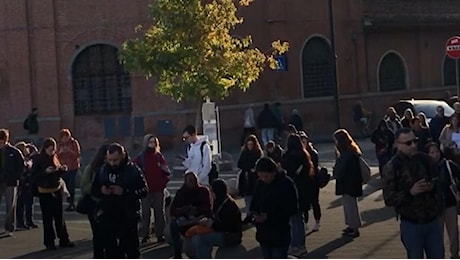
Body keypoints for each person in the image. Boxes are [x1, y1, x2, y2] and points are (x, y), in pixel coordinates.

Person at [383, 128, 444, 259]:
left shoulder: (424, 159)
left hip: (432, 220)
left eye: (415, 141)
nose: (414, 145)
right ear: (398, 145)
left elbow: (438, 179)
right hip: (411, 223)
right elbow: (389, 198)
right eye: (408, 143)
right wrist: (411, 192)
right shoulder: (392, 167)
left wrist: (431, 186)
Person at [91, 143, 148, 258]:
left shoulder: (132, 170)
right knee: (110, 249)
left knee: (131, 248)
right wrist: (102, 190)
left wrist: (125, 191)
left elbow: (144, 190)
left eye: (115, 160)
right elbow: (93, 189)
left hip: (127, 214)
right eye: (110, 160)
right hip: (108, 214)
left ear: (122, 156)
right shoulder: (102, 170)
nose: (112, 163)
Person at [250, 157, 298, 259]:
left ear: (273, 172)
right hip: (263, 232)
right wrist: (254, 214)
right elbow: (254, 202)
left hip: (280, 231)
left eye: (266, 176)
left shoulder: (286, 184)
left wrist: (270, 215)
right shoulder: (260, 184)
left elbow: (292, 207)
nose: (263, 179)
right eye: (260, 176)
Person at [32, 138, 74, 250]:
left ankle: (64, 239)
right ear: (45, 149)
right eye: (50, 150)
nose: (52, 152)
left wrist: (62, 169)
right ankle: (49, 242)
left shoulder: (55, 158)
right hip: (45, 192)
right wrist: (45, 172)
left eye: (53, 150)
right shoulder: (39, 160)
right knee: (47, 218)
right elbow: (34, 176)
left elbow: (58, 174)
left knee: (60, 217)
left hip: (56, 189)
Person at [191, 179, 243, 258]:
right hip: (223, 232)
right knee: (196, 236)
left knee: (201, 239)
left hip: (231, 235)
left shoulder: (230, 205)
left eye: (212, 191)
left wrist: (210, 223)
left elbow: (227, 226)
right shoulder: (218, 202)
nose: (211, 194)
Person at [281, 134, 314, 256]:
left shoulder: (288, 157)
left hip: (291, 191)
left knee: (293, 220)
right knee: (298, 220)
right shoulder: (305, 156)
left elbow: (285, 173)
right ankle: (301, 245)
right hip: (304, 191)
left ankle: (295, 245)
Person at [426, 142, 460, 259]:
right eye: (432, 152)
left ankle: (454, 255)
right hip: (435, 206)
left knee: (454, 233)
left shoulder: (448, 165)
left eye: (436, 152)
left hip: (450, 203)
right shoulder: (425, 168)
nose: (435, 155)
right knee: (437, 235)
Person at [133, 134, 170, 243]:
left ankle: (160, 234)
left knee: (160, 213)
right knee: (145, 213)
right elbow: (134, 170)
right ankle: (145, 235)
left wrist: (163, 183)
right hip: (146, 190)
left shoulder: (159, 156)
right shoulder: (141, 157)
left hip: (159, 189)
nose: (152, 144)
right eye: (150, 142)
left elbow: (166, 171)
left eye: (154, 142)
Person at [169, 172, 213, 258]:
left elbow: (208, 207)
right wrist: (183, 210)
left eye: (194, 180)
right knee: (173, 224)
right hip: (185, 218)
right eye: (190, 180)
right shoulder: (181, 192)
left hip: (200, 217)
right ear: (185, 181)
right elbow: (173, 210)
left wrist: (196, 210)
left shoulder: (203, 191)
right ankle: (177, 254)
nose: (193, 182)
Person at [333, 129, 363, 238]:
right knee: (349, 205)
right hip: (352, 182)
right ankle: (351, 225)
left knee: (350, 206)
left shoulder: (346, 154)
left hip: (348, 183)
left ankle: (354, 227)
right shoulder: (351, 151)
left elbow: (341, 169)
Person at [80, 144, 108, 258]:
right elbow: (84, 186)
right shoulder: (91, 169)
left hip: (111, 204)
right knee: (97, 234)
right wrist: (98, 188)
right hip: (95, 204)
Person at [0, 129, 25, 236]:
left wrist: (15, 177)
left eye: (1, 142)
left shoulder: (14, 152)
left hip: (11, 182)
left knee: (10, 206)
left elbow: (21, 166)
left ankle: (9, 228)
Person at [298, 131, 321, 231]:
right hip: (303, 182)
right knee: (303, 203)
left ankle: (317, 221)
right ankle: (305, 222)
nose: (303, 144)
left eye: (304, 141)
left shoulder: (312, 153)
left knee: (315, 201)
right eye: (301, 142)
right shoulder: (298, 154)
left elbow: (315, 166)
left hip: (313, 181)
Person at [237, 134, 263, 223]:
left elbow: (257, 164)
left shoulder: (257, 153)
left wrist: (251, 168)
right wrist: (248, 168)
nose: (250, 146)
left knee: (255, 197)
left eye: (251, 144)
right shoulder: (244, 153)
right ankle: (249, 214)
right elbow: (239, 164)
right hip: (246, 177)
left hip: (254, 178)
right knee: (247, 197)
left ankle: (254, 215)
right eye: (248, 145)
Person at [15, 142, 38, 230]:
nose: (27, 150)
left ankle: (29, 220)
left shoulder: (29, 158)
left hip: (29, 183)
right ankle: (20, 222)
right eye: (25, 148)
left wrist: (32, 147)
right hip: (22, 184)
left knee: (30, 203)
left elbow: (35, 154)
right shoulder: (21, 159)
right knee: (21, 203)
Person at [57, 129, 81, 211]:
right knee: (64, 185)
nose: (64, 139)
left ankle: (71, 203)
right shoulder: (60, 145)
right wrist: (61, 152)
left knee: (71, 185)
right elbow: (56, 156)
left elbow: (77, 154)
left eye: (66, 137)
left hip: (73, 167)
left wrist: (69, 151)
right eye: (63, 138)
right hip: (63, 167)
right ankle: (66, 201)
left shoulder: (73, 143)